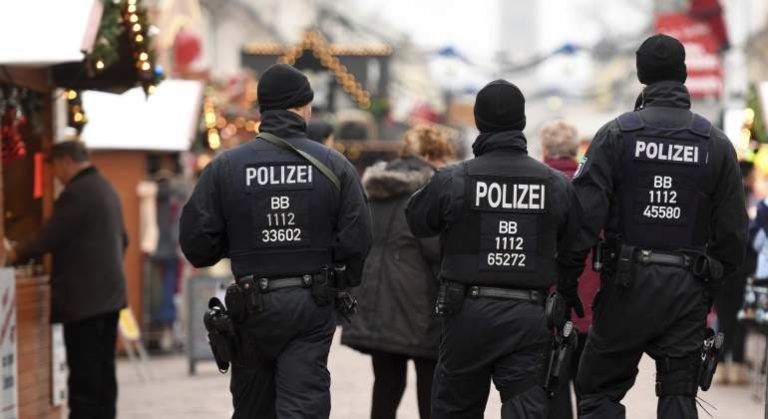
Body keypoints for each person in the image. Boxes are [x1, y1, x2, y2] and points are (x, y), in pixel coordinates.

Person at [558, 34, 748, 419]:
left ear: (642, 75)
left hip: (627, 284)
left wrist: (565, 281)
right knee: (679, 395)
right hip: (687, 287)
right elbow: (733, 234)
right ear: (683, 75)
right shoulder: (715, 143)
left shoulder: (616, 134)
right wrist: (711, 289)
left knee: (599, 390)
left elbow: (582, 217)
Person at [179, 63, 372, 419]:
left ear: (262, 110)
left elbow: (196, 245)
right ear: (303, 108)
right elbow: (358, 239)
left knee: (253, 408)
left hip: (250, 305)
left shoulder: (227, 167)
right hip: (310, 304)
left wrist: (237, 242)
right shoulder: (334, 165)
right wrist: (337, 282)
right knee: (303, 405)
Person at [406, 80, 582, 419]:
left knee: (455, 408)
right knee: (526, 410)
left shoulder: (454, 179)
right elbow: (575, 245)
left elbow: (417, 220)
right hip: (529, 316)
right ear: (522, 120)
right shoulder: (555, 184)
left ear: (478, 121)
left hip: (466, 313)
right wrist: (565, 291)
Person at [341, 124, 455, 419]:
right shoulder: (429, 190)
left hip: (376, 302)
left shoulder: (376, 188)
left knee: (387, 385)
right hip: (419, 305)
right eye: (444, 158)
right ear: (432, 155)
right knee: (430, 386)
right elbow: (437, 251)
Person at [9, 140, 127, 419]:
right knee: (103, 376)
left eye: (52, 168)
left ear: (64, 161)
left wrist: (15, 251)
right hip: (109, 298)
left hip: (85, 301)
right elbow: (124, 239)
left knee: (85, 381)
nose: (54, 176)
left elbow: (50, 235)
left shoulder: (77, 193)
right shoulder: (106, 188)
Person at [539, 121, 600, 419]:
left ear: (544, 149)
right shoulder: (593, 185)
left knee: (553, 388)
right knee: (590, 390)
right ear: (576, 149)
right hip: (590, 306)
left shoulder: (537, 185)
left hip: (549, 305)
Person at [713, 161, 755, 385]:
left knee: (722, 321)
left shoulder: (719, 203)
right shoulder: (746, 209)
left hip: (722, 273)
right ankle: (736, 367)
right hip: (740, 272)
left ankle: (719, 365)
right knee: (739, 322)